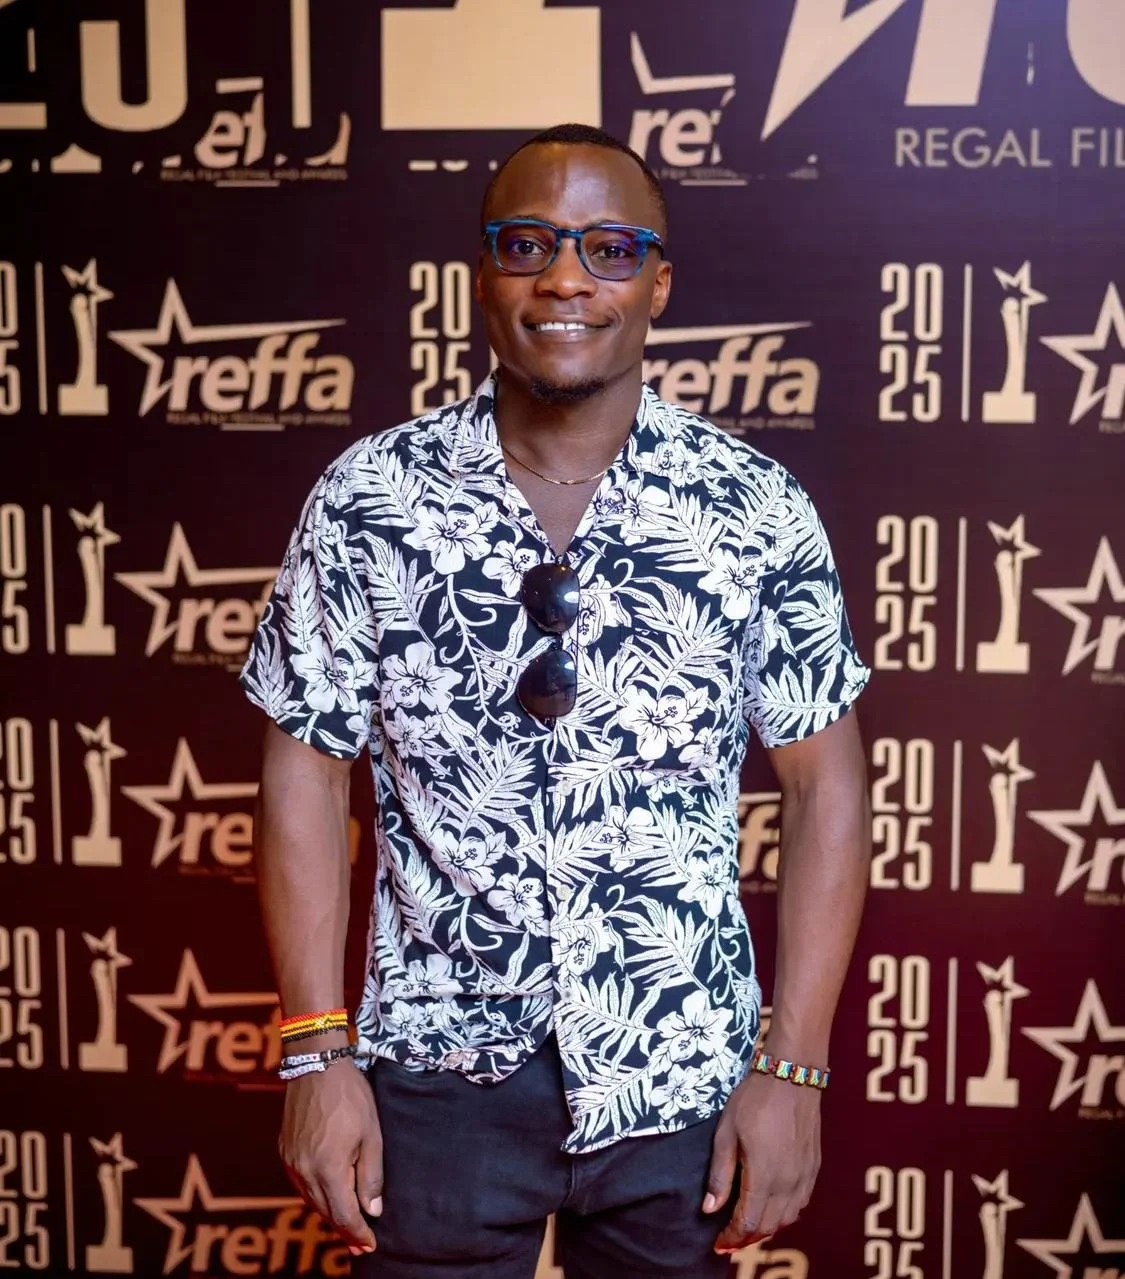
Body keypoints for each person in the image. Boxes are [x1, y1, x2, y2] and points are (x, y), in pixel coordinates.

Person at [241, 122, 871, 1278]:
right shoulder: (369, 497)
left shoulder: (753, 507)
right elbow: (305, 771)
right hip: (435, 1076)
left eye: (611, 248)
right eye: (527, 244)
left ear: (658, 283)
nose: (567, 279)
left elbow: (825, 786)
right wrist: (315, 1053)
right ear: (483, 276)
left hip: (677, 1074)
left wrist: (793, 1068)